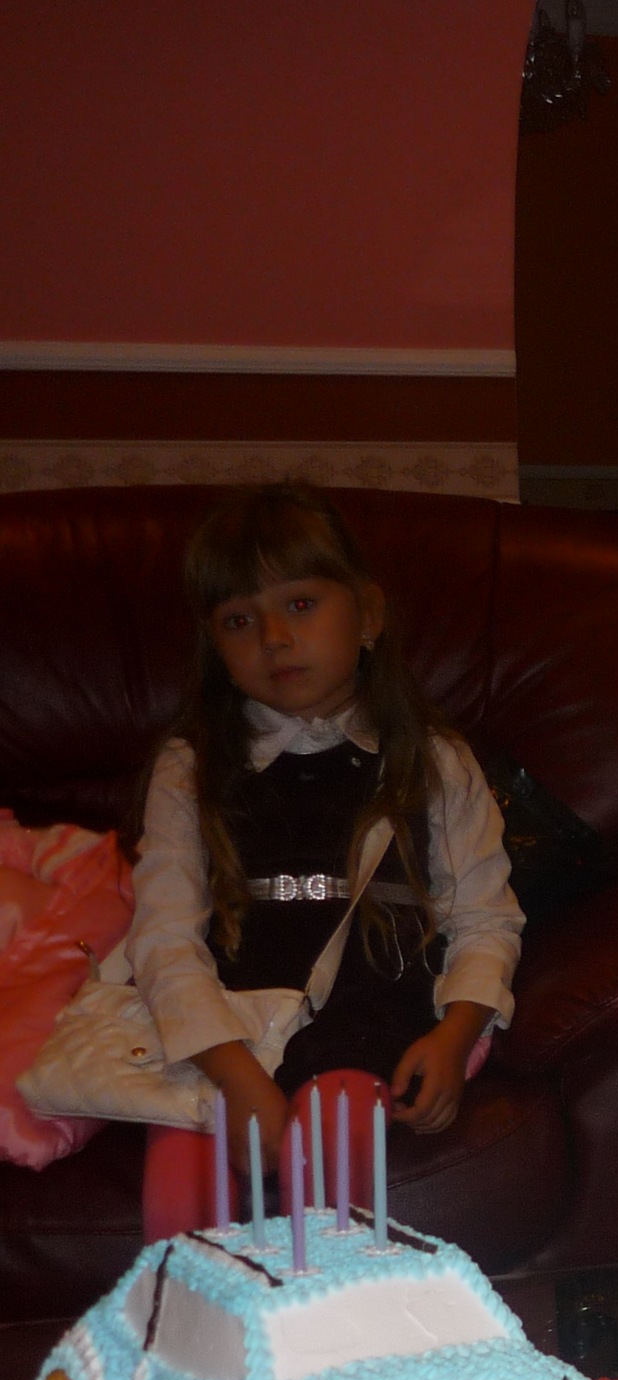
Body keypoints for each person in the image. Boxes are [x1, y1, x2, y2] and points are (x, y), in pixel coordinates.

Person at [129, 482, 521, 1236]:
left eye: (301, 604)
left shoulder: (433, 760)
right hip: (225, 1037)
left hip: (366, 1032)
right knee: (182, 1188)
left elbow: (485, 919)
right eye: (239, 620)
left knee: (336, 1154)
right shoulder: (191, 767)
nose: (274, 637)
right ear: (215, 646)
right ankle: (195, 1313)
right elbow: (164, 940)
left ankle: (336, 1308)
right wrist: (235, 1074)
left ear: (367, 615)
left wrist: (456, 1034)